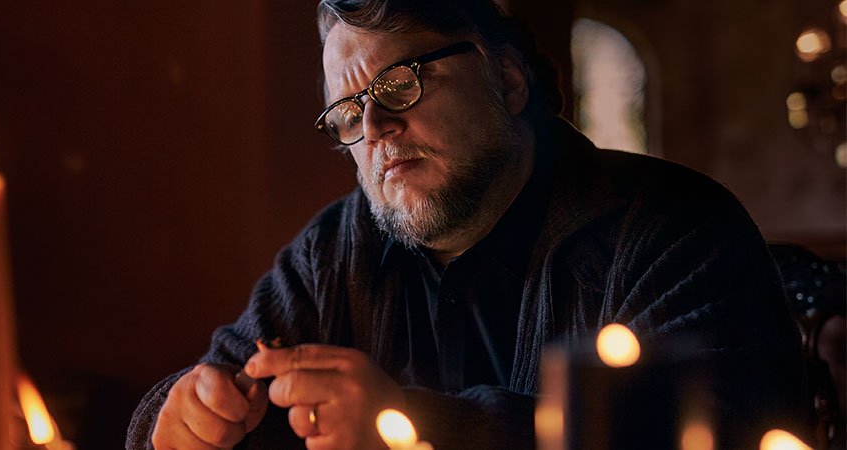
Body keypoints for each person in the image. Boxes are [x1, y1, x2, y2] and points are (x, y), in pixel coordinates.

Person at [127, 1, 807, 449]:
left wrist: (417, 426)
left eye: (399, 84)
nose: (374, 128)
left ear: (506, 81)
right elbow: (207, 387)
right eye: (348, 111)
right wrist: (183, 415)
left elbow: (727, 429)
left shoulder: (672, 228)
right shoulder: (332, 251)